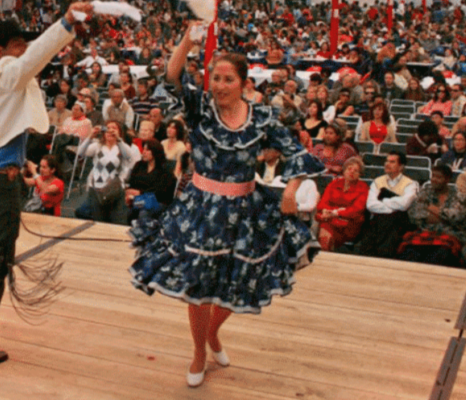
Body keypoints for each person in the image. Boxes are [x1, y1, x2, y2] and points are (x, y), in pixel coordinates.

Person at [129, 22, 324, 388]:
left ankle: (213, 333)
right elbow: (171, 75)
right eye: (214, 78)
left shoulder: (262, 117)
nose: (219, 86)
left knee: (242, 283)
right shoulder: (201, 109)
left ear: (243, 83)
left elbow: (299, 152)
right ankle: (199, 352)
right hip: (202, 209)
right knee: (199, 286)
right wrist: (189, 39)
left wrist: (289, 190)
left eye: (227, 79)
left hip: (246, 210)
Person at [0, 1, 94, 366]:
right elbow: (33, 61)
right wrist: (64, 24)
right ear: (0, 51)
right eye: (17, 44)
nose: (24, 50)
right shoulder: (5, 71)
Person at [402, 165, 466, 267]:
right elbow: (414, 214)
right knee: (409, 252)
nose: (434, 180)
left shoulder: (457, 195)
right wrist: (443, 216)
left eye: (439, 177)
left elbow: (457, 217)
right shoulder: (425, 192)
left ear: (447, 179)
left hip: (450, 233)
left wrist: (433, 210)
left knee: (439, 256)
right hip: (426, 231)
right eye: (433, 176)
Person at [74, 120, 138, 223]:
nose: (111, 130)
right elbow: (80, 153)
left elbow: (129, 158)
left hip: (115, 188)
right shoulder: (97, 146)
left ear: (119, 132)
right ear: (103, 132)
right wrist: (90, 137)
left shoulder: (121, 147)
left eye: (114, 128)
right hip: (96, 188)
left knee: (117, 221)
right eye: (108, 128)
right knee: (98, 220)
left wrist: (119, 139)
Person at [359, 152, 420, 258]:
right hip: (379, 220)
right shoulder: (377, 181)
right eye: (386, 161)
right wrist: (391, 208)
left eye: (392, 162)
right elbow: (371, 205)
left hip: (399, 223)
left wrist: (383, 200)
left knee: (389, 225)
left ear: (401, 167)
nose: (387, 164)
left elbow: (404, 205)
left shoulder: (410, 184)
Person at [314, 157, 370, 251]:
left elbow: (357, 210)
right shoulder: (334, 184)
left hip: (349, 224)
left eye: (356, 170)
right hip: (329, 219)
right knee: (323, 228)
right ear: (344, 170)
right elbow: (322, 204)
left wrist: (336, 213)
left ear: (360, 174)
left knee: (324, 231)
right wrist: (329, 211)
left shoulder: (363, 188)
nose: (351, 172)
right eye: (349, 168)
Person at [125, 138, 176, 223]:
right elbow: (132, 183)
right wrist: (130, 193)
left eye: (147, 150)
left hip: (158, 201)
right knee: (130, 210)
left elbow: (161, 192)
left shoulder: (165, 169)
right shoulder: (139, 165)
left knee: (143, 211)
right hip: (140, 199)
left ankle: (142, 233)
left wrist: (140, 193)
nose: (143, 152)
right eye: (143, 149)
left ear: (155, 151)